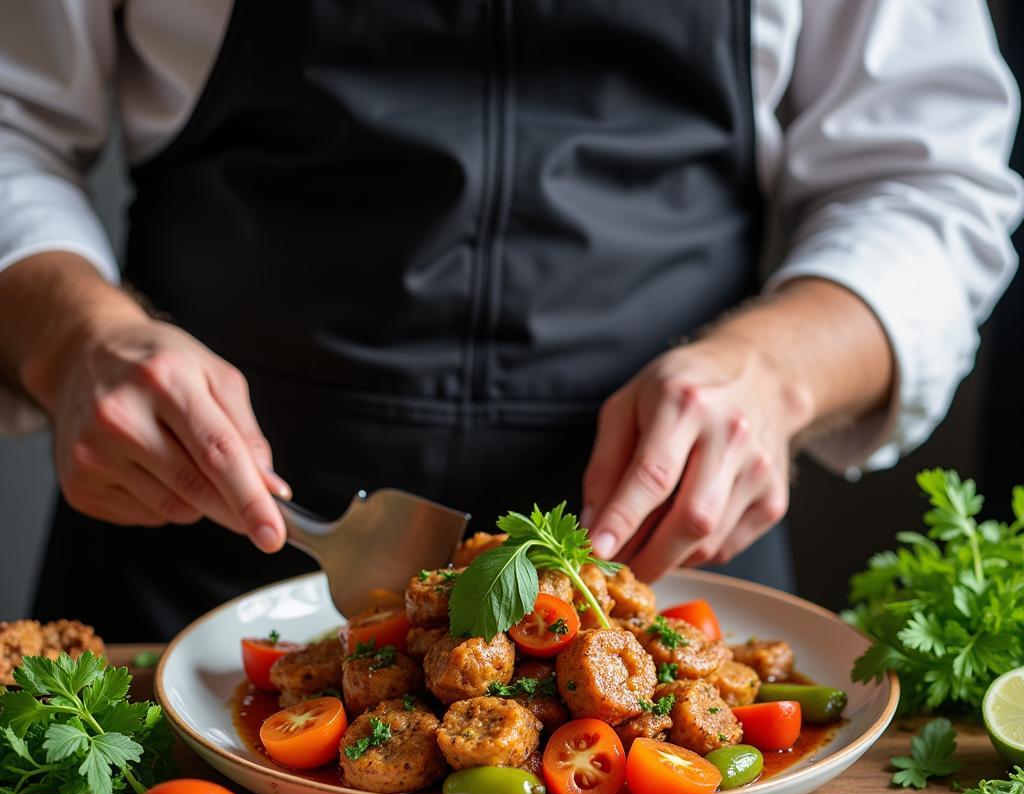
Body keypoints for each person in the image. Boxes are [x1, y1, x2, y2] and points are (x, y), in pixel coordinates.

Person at [0, 1, 1019, 639]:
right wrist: (77, 334)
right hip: (207, 561)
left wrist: (772, 373)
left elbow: (925, 180)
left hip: (668, 580)